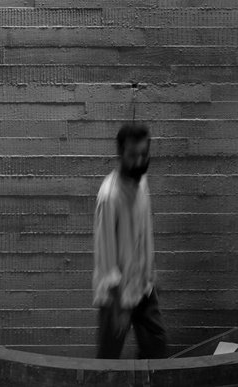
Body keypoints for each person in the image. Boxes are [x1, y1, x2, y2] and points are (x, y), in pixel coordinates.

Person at [92, 121, 168, 359]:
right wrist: (118, 309)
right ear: (120, 154)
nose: (139, 161)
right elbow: (107, 262)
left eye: (144, 154)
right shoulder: (109, 196)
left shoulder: (142, 180)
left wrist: (150, 277)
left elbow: (143, 232)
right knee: (107, 362)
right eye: (132, 155)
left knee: (156, 349)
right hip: (116, 297)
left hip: (143, 288)